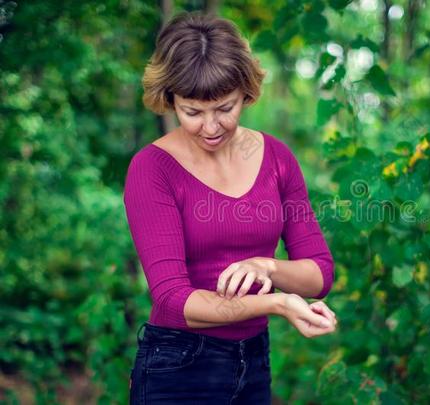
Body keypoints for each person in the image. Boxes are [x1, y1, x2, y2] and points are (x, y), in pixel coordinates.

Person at [122, 11, 338, 404]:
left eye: (225, 108)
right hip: (178, 368)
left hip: (253, 362)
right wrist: (275, 301)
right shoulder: (151, 169)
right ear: (171, 100)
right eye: (192, 112)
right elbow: (173, 298)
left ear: (246, 92)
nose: (210, 126)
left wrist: (268, 266)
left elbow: (319, 274)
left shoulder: (277, 158)